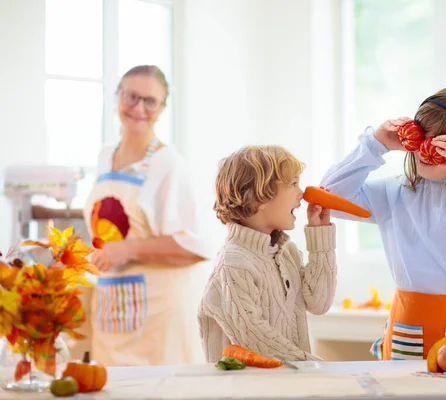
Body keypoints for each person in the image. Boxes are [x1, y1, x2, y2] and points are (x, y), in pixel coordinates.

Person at [319, 86, 446, 361]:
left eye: (442, 144)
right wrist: (375, 145)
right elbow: (330, 196)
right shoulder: (396, 191)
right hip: (411, 332)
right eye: (420, 137)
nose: (424, 150)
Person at [81, 65, 210, 366]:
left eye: (150, 101)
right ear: (116, 98)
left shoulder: (167, 162)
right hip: (113, 309)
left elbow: (196, 246)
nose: (139, 108)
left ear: (162, 108)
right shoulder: (104, 156)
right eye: (131, 96)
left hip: (160, 317)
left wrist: (127, 249)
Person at [198, 146, 337, 362]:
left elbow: (319, 303)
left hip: (285, 384)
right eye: (293, 184)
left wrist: (321, 236)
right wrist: (315, 368)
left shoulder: (286, 252)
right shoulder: (233, 262)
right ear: (258, 197)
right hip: (243, 390)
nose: (302, 194)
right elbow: (255, 339)